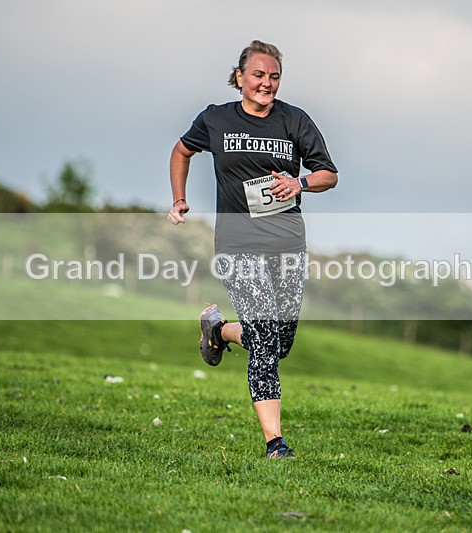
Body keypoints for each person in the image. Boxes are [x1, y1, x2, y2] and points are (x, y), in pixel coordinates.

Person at [167, 39, 338, 459]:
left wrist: (299, 182)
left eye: (274, 76)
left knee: (279, 342)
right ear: (240, 77)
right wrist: (179, 198)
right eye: (258, 75)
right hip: (237, 243)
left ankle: (218, 329)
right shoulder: (215, 119)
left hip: (287, 244)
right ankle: (275, 443)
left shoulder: (295, 121)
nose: (266, 83)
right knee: (263, 342)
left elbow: (329, 174)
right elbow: (181, 150)